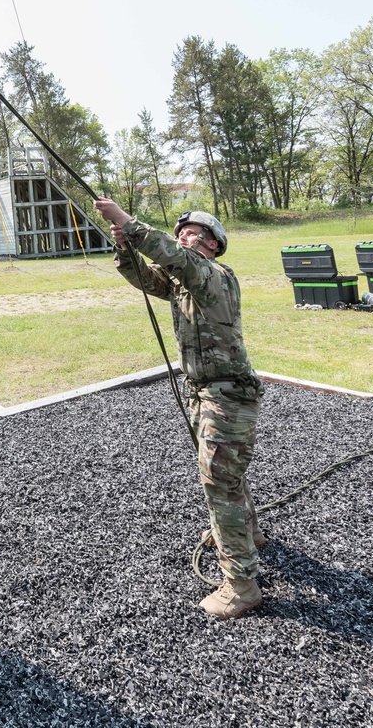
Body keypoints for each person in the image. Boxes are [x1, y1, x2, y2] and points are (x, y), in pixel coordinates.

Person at [94, 200, 267, 620]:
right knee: (225, 474)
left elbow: (172, 256)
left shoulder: (214, 276)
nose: (181, 236)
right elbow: (144, 276)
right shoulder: (185, 283)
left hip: (228, 395)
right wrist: (124, 246)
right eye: (181, 231)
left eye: (189, 232)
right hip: (203, 391)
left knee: (218, 483)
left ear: (211, 242)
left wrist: (126, 220)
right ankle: (250, 533)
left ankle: (241, 585)